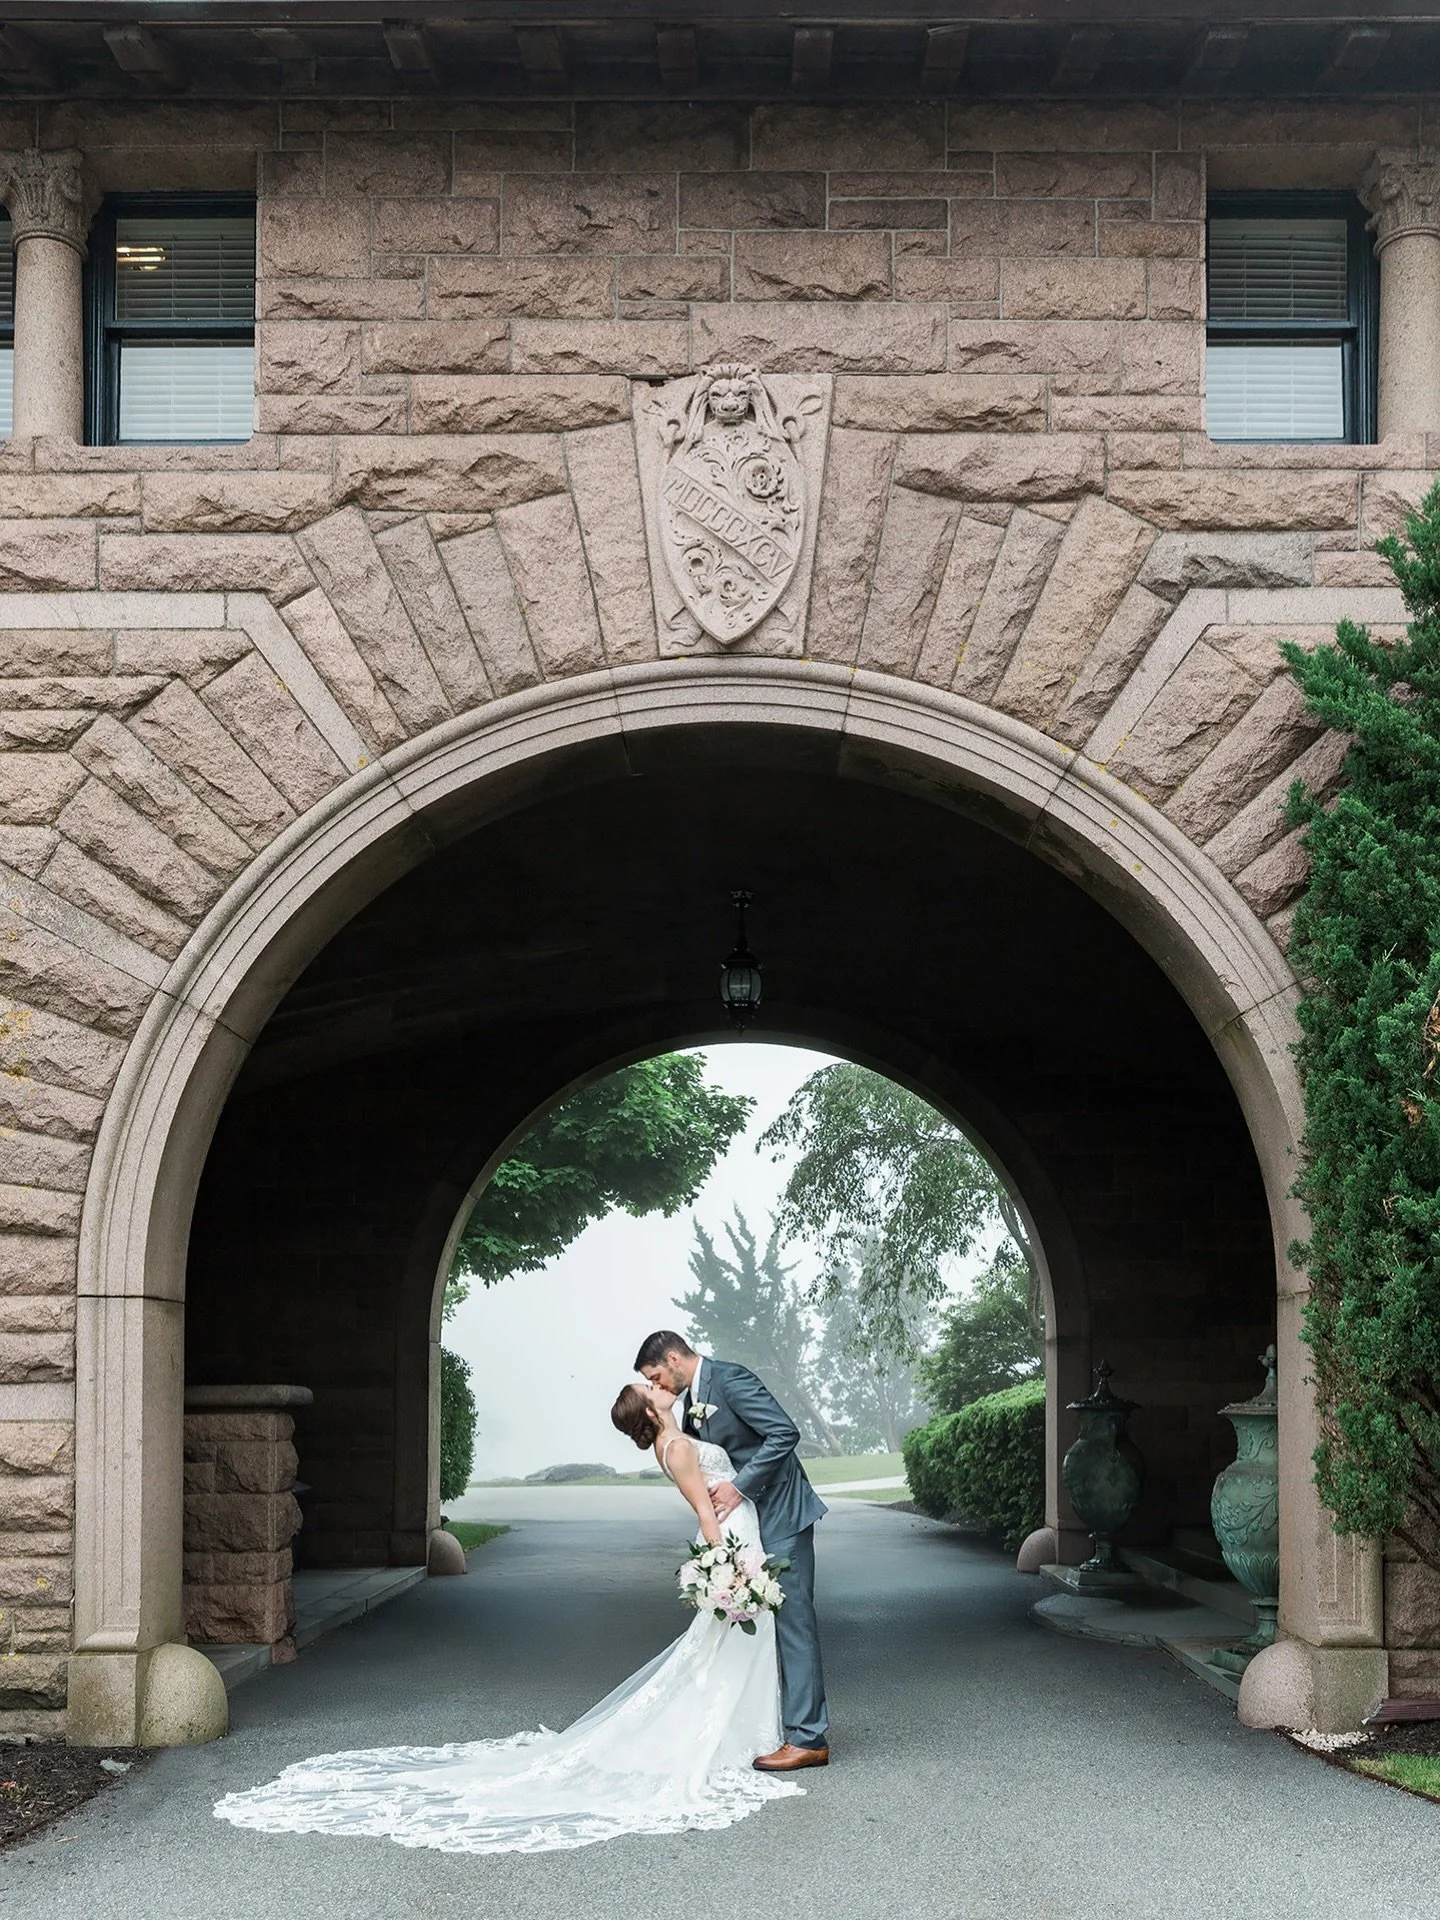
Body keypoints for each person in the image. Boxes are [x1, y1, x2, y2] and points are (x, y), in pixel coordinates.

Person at [211, 1367, 808, 1854]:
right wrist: (725, 1568)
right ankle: (740, 1736)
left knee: (735, 1645)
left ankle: (759, 1730)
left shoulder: (678, 1436)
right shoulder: (675, 1447)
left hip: (745, 1536)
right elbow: (706, 1512)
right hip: (735, 1544)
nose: (658, 1387)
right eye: (649, 1388)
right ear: (651, 1412)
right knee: (732, 1643)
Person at [635, 1330, 829, 1771]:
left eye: (657, 1376)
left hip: (782, 1513)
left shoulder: (731, 1380)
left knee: (794, 1623)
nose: (659, 1386)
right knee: (770, 1628)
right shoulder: (687, 1405)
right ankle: (785, 1725)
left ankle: (809, 1738)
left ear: (673, 1357)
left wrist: (740, 1488)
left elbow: (784, 1433)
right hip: (751, 1527)